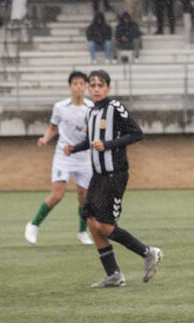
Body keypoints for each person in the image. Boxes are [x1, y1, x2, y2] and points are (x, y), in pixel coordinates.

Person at [63, 70, 162, 288]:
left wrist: (107, 145)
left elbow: (136, 134)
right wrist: (74, 148)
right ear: (88, 88)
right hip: (98, 176)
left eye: (101, 85)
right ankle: (113, 274)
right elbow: (92, 141)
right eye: (92, 85)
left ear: (108, 88)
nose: (96, 89)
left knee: (106, 226)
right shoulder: (91, 112)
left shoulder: (114, 107)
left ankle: (148, 252)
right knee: (91, 222)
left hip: (115, 175)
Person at [25, 71, 96, 247]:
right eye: (75, 84)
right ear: (70, 87)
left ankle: (82, 232)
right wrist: (45, 139)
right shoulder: (60, 107)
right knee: (57, 195)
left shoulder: (91, 107)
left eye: (82, 84)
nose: (79, 87)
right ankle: (33, 225)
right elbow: (52, 128)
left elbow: (95, 130)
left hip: (83, 156)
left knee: (84, 197)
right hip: (63, 155)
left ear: (86, 87)